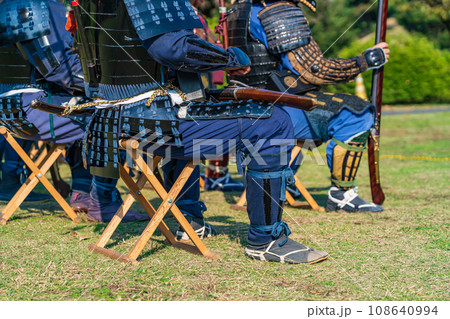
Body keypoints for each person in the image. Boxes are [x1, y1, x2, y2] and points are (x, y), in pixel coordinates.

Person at [62, 0, 329, 264]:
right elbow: (171, 48)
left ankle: (188, 221)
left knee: (190, 116)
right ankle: (266, 240)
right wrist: (229, 58)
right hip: (149, 119)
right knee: (273, 121)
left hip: (114, 117)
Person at [227, 0, 390, 213]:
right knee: (357, 113)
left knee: (323, 106)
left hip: (250, 105)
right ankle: (342, 195)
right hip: (273, 110)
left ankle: (286, 181)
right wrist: (364, 61)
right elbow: (314, 69)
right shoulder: (276, 10)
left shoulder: (239, 8)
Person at [0, 0, 150, 222]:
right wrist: (109, 79)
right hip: (34, 106)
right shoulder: (37, 5)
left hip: (14, 108)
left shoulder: (10, 3)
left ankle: (82, 190)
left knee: (87, 109)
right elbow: (57, 67)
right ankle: (104, 202)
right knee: (111, 117)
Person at [189, 0, 245, 192]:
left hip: (204, 77)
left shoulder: (197, 15)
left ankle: (215, 173)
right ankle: (216, 174)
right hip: (196, 81)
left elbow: (210, 41)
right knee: (220, 119)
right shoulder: (189, 14)